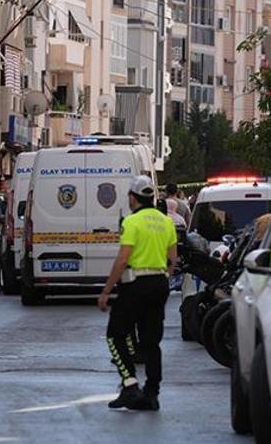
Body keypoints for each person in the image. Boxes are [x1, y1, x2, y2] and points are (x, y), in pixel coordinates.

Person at [98, 176, 178, 411]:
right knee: (151, 342)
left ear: (133, 198)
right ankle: (152, 393)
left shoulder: (132, 222)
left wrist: (106, 291)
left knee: (115, 335)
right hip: (159, 285)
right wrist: (164, 276)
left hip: (134, 286)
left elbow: (123, 259)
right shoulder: (166, 222)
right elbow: (173, 259)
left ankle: (130, 384)